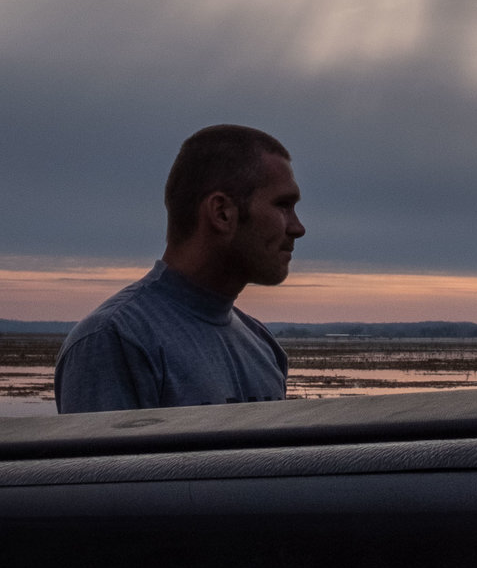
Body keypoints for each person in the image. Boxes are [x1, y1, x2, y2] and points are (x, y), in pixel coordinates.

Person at [54, 124, 306, 413]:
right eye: (283, 205)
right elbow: (102, 461)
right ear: (222, 212)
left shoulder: (263, 345)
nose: (298, 228)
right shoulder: (114, 341)